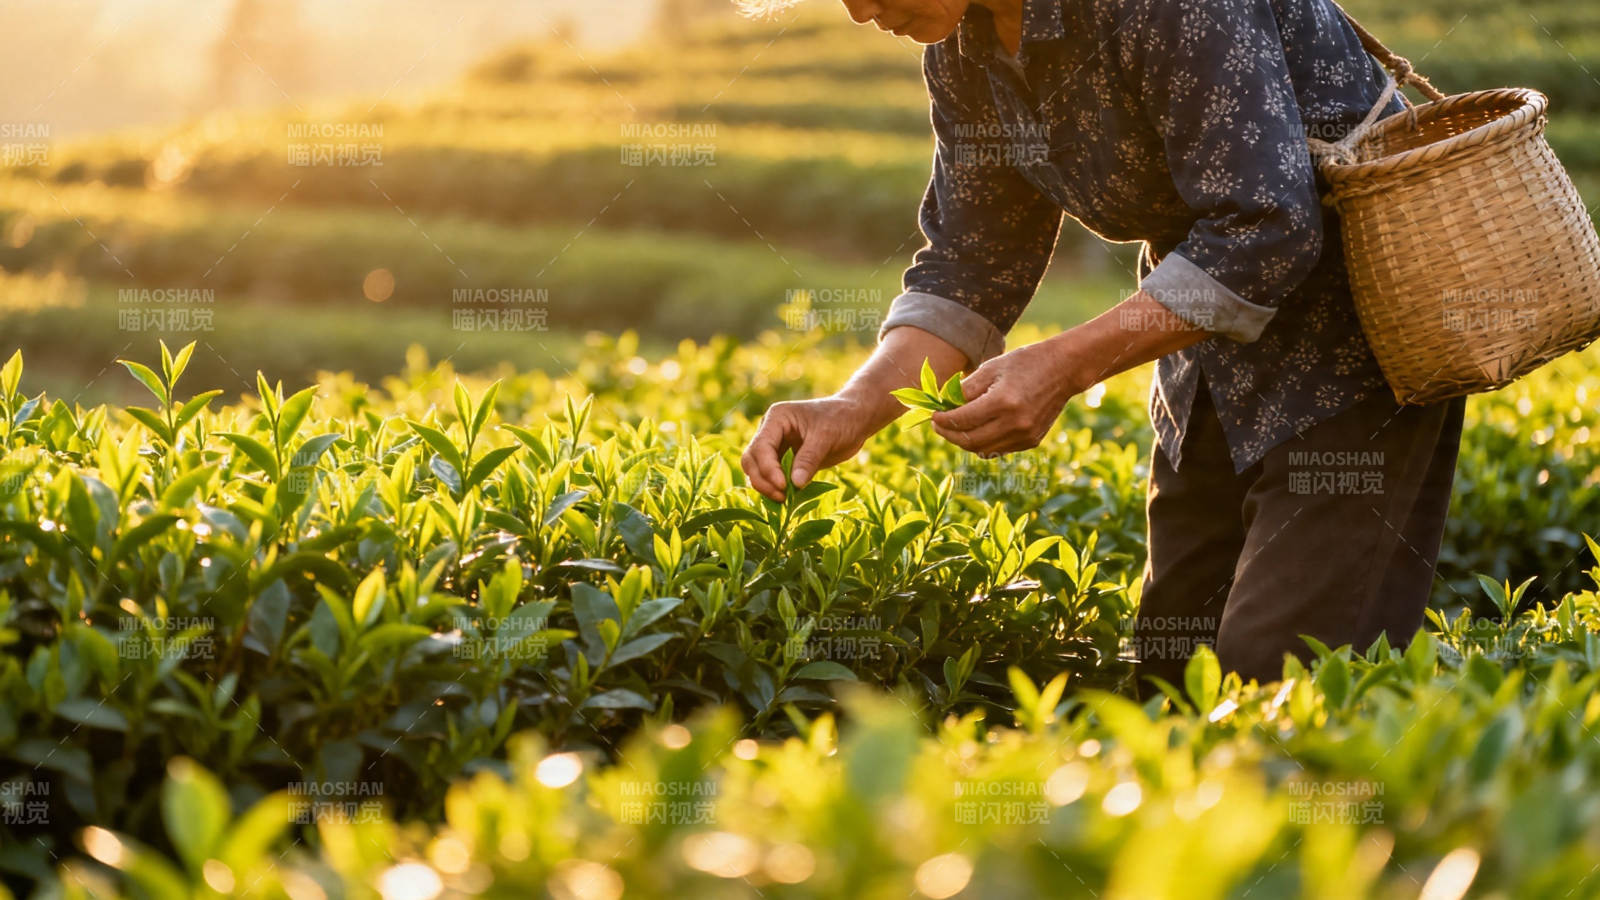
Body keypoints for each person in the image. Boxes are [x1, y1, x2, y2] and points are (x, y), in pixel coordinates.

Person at [738, 0, 1466, 690]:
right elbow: (971, 261)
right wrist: (852, 406)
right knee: (1173, 667)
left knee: (1274, 676)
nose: (859, 11)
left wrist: (1064, 365)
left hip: (1351, 354)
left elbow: (1267, 231)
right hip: (1207, 365)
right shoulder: (966, 48)